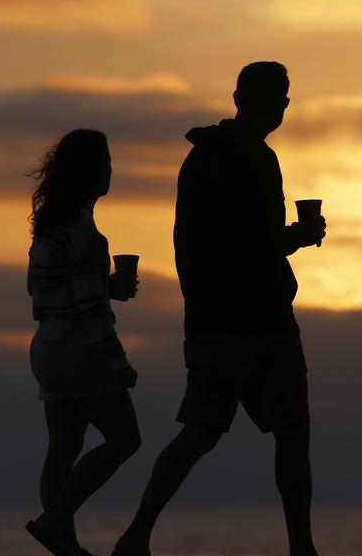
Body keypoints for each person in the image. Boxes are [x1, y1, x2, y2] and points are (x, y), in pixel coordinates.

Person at [113, 62, 327, 556]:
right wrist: (298, 236)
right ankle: (302, 548)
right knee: (292, 432)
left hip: (209, 321)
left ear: (236, 96)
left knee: (200, 431)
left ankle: (136, 535)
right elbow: (254, 241)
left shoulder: (200, 158)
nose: (286, 105)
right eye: (283, 96)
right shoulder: (254, 157)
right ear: (276, 104)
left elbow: (196, 242)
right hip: (261, 319)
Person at [25, 129, 143, 556]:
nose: (111, 170)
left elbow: (44, 289)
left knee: (63, 447)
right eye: (107, 162)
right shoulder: (88, 235)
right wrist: (118, 361)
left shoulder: (50, 230)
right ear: (93, 173)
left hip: (47, 346)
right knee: (125, 440)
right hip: (79, 348)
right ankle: (54, 522)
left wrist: (102, 284)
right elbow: (92, 310)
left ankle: (64, 545)